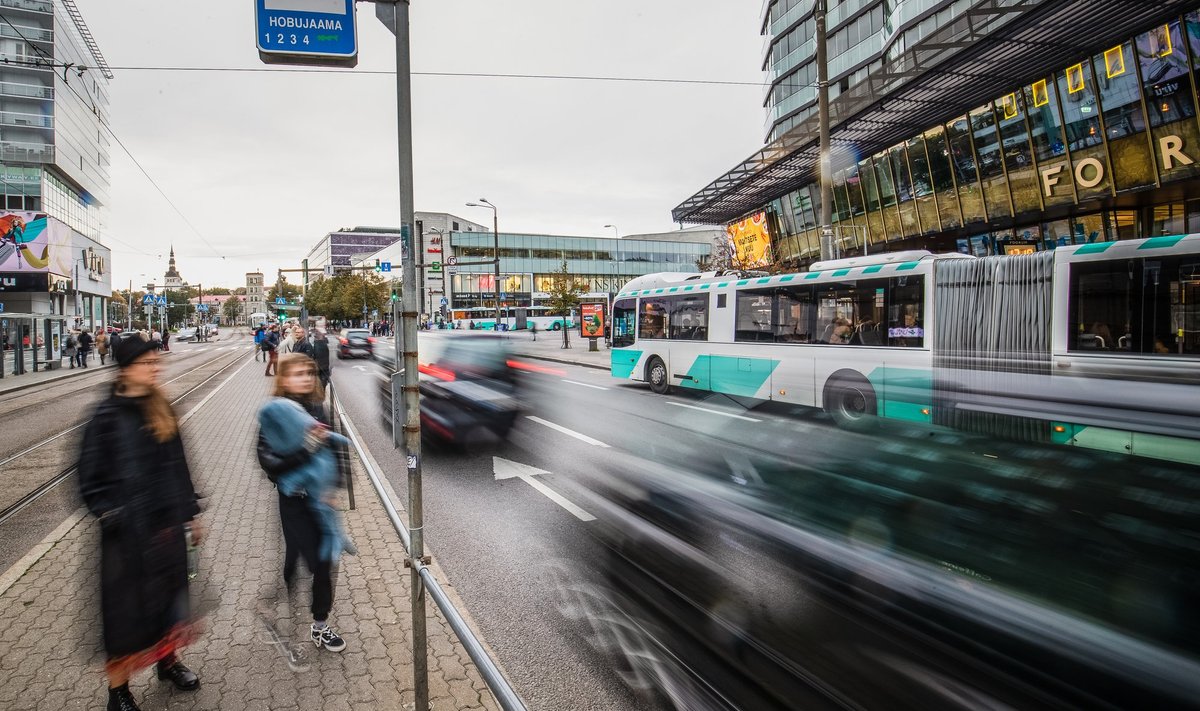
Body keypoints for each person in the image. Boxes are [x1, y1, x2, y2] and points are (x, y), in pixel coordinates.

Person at [77, 332, 205, 711]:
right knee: (125, 617)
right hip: (126, 538)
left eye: (156, 362)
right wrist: (111, 515)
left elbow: (179, 466)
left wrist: (190, 513)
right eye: (147, 363)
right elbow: (89, 480)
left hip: (165, 527)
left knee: (169, 604)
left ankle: (169, 664)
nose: (155, 368)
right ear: (126, 368)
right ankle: (118, 692)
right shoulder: (104, 417)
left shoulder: (162, 407)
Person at [257, 354, 351, 656]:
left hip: (321, 503)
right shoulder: (275, 413)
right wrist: (307, 450)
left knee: (324, 563)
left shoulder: (319, 408)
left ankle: (319, 625)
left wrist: (335, 486)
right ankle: (285, 590)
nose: (306, 378)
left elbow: (338, 450)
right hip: (294, 502)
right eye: (298, 373)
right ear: (283, 379)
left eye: (309, 373)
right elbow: (268, 462)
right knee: (298, 559)